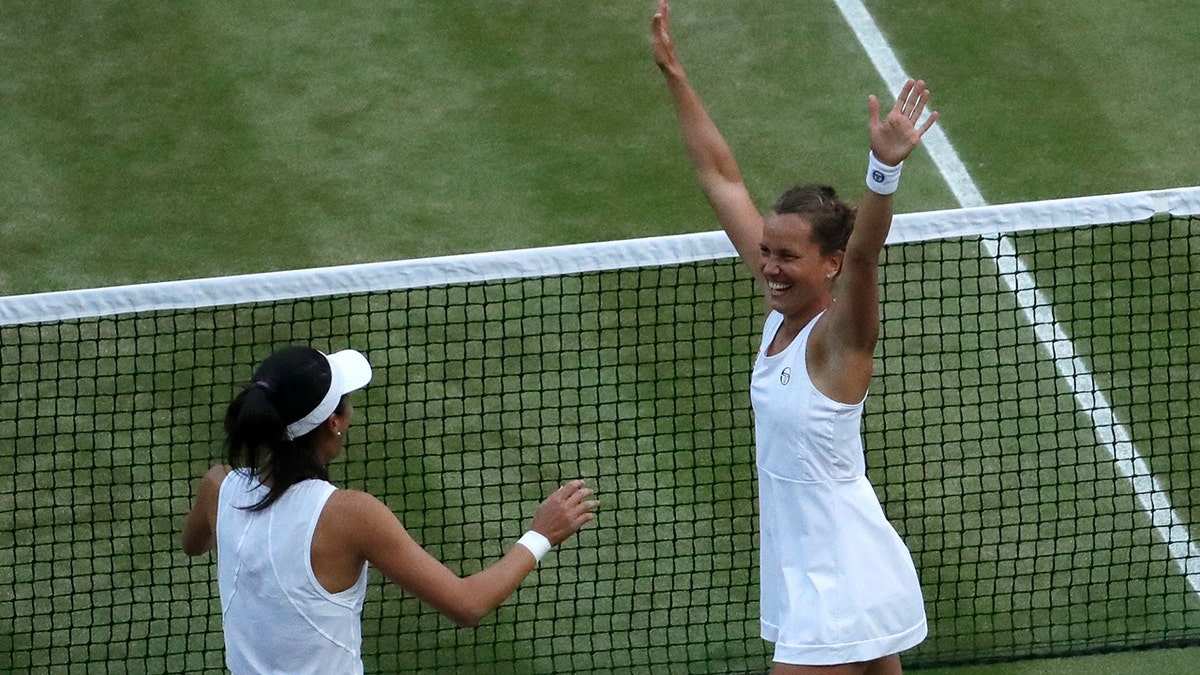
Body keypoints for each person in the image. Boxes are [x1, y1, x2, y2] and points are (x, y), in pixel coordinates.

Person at [651, 1, 938, 673]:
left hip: (839, 575)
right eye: (766, 251)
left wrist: (883, 173)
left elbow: (867, 253)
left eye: (787, 256)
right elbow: (721, 176)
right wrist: (673, 71)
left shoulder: (838, 339)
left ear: (829, 263)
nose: (769, 266)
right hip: (816, 567)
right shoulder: (780, 317)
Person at [181, 345, 598, 674]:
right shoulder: (350, 515)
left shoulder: (218, 488)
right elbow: (467, 604)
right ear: (334, 422)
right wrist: (541, 534)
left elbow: (193, 544)